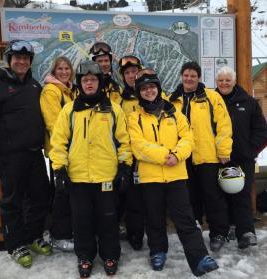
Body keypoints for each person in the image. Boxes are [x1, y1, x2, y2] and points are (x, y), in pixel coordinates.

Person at [128, 69, 219, 276]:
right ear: (139, 92)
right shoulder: (135, 117)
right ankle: (158, 250)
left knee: (185, 218)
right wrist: (165, 155)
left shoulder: (174, 112)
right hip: (150, 177)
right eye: (144, 88)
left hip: (176, 174)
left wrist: (177, 155)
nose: (149, 91)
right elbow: (138, 146)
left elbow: (188, 138)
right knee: (154, 218)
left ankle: (199, 257)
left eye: (152, 87)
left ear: (158, 89)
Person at [49, 61, 132, 278]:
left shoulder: (113, 110)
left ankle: (110, 255)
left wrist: (124, 167)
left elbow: (124, 143)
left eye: (93, 80)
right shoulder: (69, 111)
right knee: (82, 220)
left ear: (100, 83)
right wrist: (59, 170)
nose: (89, 84)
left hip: (106, 176)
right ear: (79, 83)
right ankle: (85, 256)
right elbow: (58, 143)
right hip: (78, 178)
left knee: (108, 219)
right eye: (85, 80)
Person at [0, 40, 52, 268]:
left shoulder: (34, 86)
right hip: (9, 157)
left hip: (33, 154)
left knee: (41, 198)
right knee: (12, 203)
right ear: (10, 60)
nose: (22, 62)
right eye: (17, 58)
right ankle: (16, 244)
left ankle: (33, 236)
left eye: (26, 59)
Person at [169, 61, 232, 252]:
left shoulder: (212, 97)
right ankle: (194, 233)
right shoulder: (172, 100)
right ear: (181, 76)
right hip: (183, 158)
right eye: (186, 75)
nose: (189, 79)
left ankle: (218, 233)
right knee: (189, 197)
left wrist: (223, 151)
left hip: (207, 156)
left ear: (199, 78)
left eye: (193, 76)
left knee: (212, 197)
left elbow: (223, 125)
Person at [216, 66, 267, 249]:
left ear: (234, 81)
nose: (224, 83)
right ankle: (225, 229)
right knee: (220, 196)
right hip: (217, 159)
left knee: (243, 195)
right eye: (221, 80)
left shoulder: (249, 102)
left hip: (243, 159)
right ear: (217, 82)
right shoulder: (211, 102)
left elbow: (262, 130)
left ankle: (246, 232)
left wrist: (250, 151)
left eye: (227, 80)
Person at [40, 56, 77, 252]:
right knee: (61, 194)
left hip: (72, 151)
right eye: (60, 69)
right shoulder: (51, 91)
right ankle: (58, 235)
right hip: (59, 151)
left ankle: (67, 231)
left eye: (67, 69)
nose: (64, 72)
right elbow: (53, 125)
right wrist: (69, 145)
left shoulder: (68, 91)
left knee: (70, 192)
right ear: (54, 71)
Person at [116, 55, 145, 247]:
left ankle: (141, 233)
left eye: (134, 71)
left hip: (149, 155)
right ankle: (130, 233)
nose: (131, 75)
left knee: (144, 198)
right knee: (127, 196)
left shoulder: (152, 93)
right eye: (127, 73)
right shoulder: (119, 99)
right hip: (128, 155)